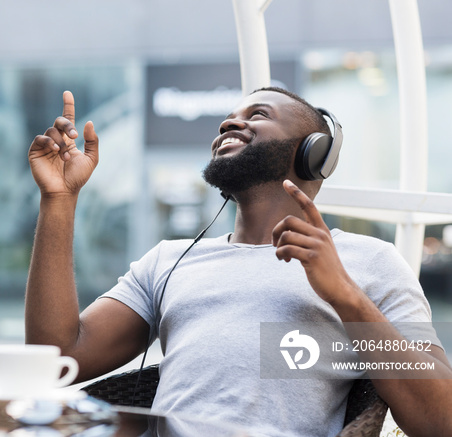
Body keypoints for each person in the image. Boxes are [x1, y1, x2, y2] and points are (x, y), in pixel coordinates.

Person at [25, 87, 452, 436]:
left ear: (312, 153)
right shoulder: (168, 260)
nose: (230, 122)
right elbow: (57, 356)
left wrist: (346, 297)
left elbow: (440, 421)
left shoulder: (368, 260)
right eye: (228, 117)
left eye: (258, 114)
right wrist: (58, 201)